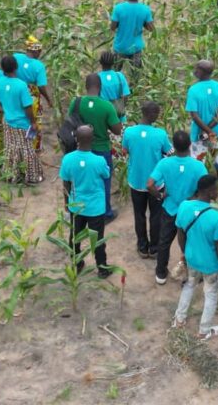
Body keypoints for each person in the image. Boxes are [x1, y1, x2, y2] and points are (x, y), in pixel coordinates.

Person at [173, 175, 218, 340]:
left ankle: (179, 320)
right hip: (211, 265)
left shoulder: (184, 206)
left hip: (192, 259)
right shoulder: (216, 217)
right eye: (217, 188)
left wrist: (185, 253)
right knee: (211, 294)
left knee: (189, 285)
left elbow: (180, 234)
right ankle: (204, 330)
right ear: (210, 191)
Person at [148, 130, 208, 285]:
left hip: (170, 208)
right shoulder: (198, 166)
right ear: (189, 145)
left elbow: (150, 184)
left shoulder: (165, 163)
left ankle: (161, 273)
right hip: (190, 211)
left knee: (164, 241)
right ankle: (191, 274)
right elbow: (205, 187)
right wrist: (193, 197)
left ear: (173, 146)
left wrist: (160, 196)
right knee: (191, 242)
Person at [60, 125, 112, 278]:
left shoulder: (68, 159)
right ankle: (102, 269)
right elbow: (106, 175)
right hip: (95, 207)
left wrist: (67, 203)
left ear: (76, 138)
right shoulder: (99, 161)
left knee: (75, 236)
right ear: (93, 139)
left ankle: (77, 264)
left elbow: (66, 182)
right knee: (97, 239)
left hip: (76, 206)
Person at [69, 73, 122, 221]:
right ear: (100, 87)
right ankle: (105, 213)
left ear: (86, 86)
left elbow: (70, 122)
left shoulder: (76, 102)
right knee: (104, 181)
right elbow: (117, 130)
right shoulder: (106, 106)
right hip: (101, 149)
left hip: (80, 148)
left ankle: (78, 210)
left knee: (80, 179)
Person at [123, 101, 171, 257]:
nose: (158, 115)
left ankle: (142, 246)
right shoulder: (160, 134)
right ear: (152, 114)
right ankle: (154, 247)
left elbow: (125, 151)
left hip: (136, 181)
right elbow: (169, 153)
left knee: (139, 215)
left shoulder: (129, 132)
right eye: (157, 113)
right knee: (156, 216)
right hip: (156, 183)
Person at [0, 55, 43, 184]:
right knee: (27, 149)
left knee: (10, 148)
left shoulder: (0, 82)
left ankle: (12, 175)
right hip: (22, 123)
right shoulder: (21, 85)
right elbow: (27, 107)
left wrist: (3, 110)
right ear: (16, 67)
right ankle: (32, 176)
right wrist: (33, 122)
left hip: (7, 121)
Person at [186, 60, 218, 175]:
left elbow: (194, 116)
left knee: (198, 164)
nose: (195, 71)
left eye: (197, 68)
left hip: (199, 134)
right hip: (216, 133)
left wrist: (206, 132)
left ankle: (199, 183)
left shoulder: (193, 90)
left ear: (202, 71)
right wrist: (211, 131)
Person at [14, 36, 54, 152]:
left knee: (19, 117)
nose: (40, 54)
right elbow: (41, 86)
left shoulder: (16, 57)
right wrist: (48, 99)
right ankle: (34, 148)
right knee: (34, 120)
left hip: (16, 92)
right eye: (39, 51)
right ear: (36, 51)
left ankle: (19, 145)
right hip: (31, 95)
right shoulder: (38, 65)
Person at [110, 0, 154, 68]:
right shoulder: (145, 9)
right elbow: (151, 28)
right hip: (136, 49)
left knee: (116, 72)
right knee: (136, 74)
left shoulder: (118, 8)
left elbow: (113, 27)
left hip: (120, 47)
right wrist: (143, 22)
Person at [98, 51, 130, 123]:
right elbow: (126, 95)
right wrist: (120, 107)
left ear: (100, 62)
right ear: (113, 63)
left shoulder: (97, 78)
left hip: (103, 117)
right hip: (119, 118)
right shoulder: (119, 76)